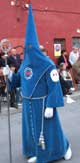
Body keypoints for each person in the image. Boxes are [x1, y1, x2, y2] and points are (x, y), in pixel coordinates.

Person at [2, 4, 72, 163]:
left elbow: (54, 85)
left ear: (37, 49)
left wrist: (50, 105)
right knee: (32, 131)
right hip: (28, 103)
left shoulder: (47, 64)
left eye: (31, 48)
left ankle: (64, 147)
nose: (29, 51)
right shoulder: (25, 64)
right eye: (27, 48)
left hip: (43, 103)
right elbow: (18, 81)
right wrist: (10, 74)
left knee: (50, 131)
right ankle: (38, 153)